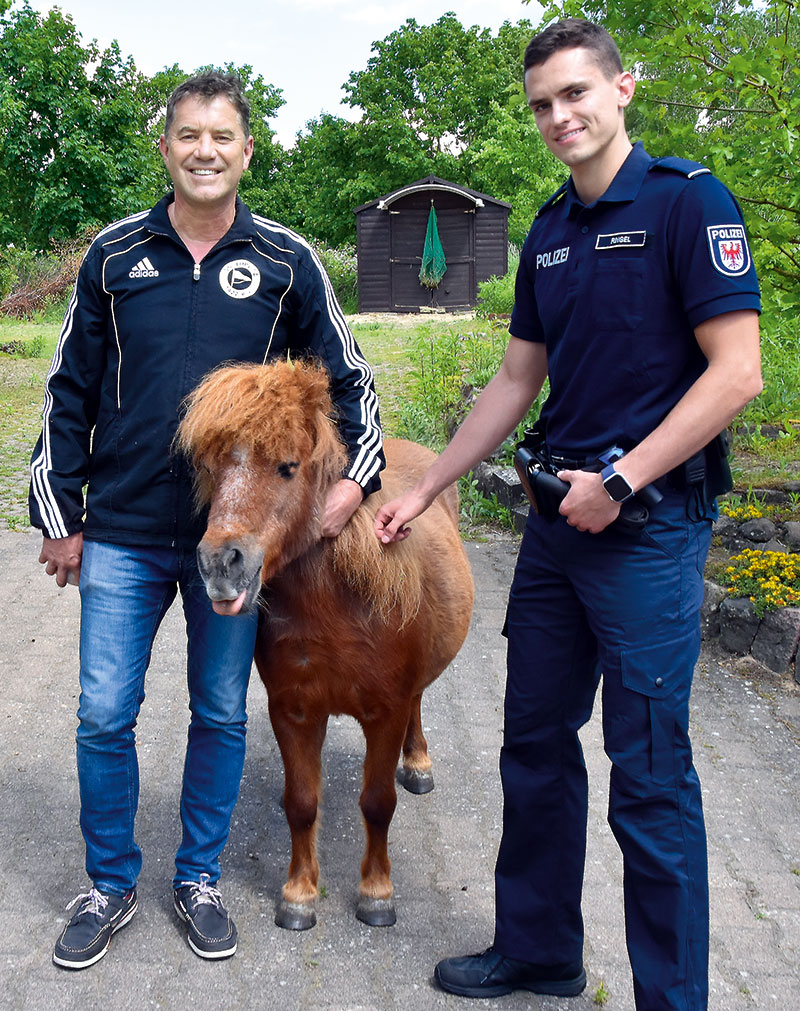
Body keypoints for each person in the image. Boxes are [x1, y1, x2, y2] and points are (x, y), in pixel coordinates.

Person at [375, 19, 761, 1011]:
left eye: (574, 94)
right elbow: (514, 381)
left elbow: (735, 375)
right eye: (541, 103)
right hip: (552, 532)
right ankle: (538, 952)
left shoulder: (687, 204)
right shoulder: (547, 230)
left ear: (620, 89)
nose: (558, 116)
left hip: (642, 534)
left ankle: (670, 998)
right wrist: (421, 487)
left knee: (649, 779)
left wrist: (622, 479)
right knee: (533, 749)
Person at [30, 71, 384, 970]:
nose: (204, 151)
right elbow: (68, 391)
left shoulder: (285, 260)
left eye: (222, 137)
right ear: (167, 148)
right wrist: (58, 513)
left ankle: (199, 878)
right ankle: (109, 884)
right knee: (105, 713)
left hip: (234, 541)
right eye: (188, 135)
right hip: (119, 527)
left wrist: (355, 484)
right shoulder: (114, 256)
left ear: (246, 150)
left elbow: (350, 380)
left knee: (221, 711)